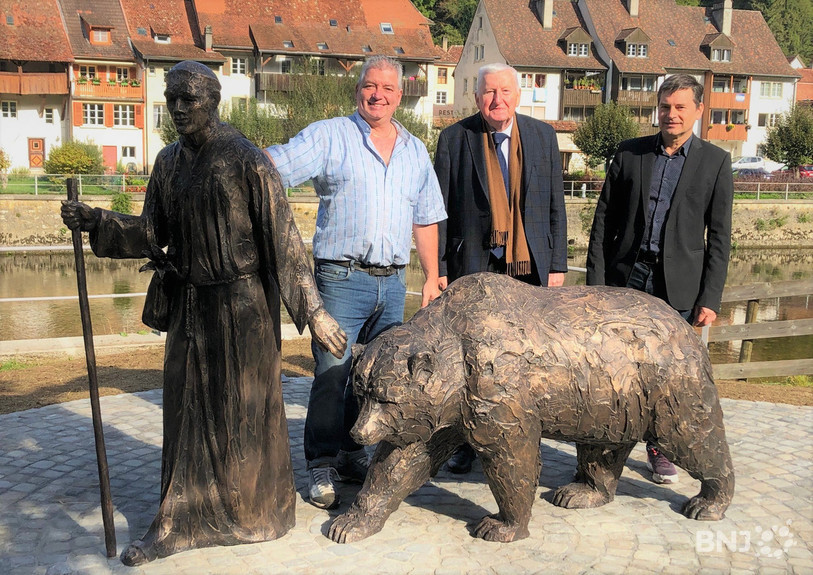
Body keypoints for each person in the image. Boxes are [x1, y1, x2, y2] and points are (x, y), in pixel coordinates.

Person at [61, 61, 347, 565]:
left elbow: (283, 239)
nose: (177, 109)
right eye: (171, 99)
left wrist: (315, 311)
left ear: (212, 101)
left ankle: (257, 512)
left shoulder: (244, 159)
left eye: (187, 100)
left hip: (244, 309)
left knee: (243, 413)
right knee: (186, 412)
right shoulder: (169, 163)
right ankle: (178, 520)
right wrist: (96, 221)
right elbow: (151, 233)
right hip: (191, 306)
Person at [265, 55, 447, 509]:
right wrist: (234, 153)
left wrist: (431, 277)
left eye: (387, 88)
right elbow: (272, 168)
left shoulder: (414, 150)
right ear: (358, 89)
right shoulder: (329, 135)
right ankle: (322, 462)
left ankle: (350, 453)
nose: (377, 94)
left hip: (393, 283)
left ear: (400, 96)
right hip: (342, 278)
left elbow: (426, 220)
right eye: (370, 85)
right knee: (332, 372)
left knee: (373, 378)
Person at [586, 73, 734, 485]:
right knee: (614, 367)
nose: (671, 114)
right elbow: (603, 224)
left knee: (666, 374)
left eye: (680, 107)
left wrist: (710, 297)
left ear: (698, 110)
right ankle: (605, 446)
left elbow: (720, 237)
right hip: (625, 280)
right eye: (666, 106)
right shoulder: (630, 155)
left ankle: (659, 447)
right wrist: (595, 287)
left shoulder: (716, 162)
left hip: (678, 287)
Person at [434, 62, 568, 474]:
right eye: (489, 92)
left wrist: (558, 264)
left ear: (518, 95)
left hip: (529, 267)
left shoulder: (543, 136)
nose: (497, 100)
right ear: (477, 98)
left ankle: (527, 440)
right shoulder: (455, 138)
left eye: (505, 92)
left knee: (527, 357)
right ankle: (464, 441)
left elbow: (554, 205)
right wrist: (438, 265)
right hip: (473, 264)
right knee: (471, 357)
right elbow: (437, 209)